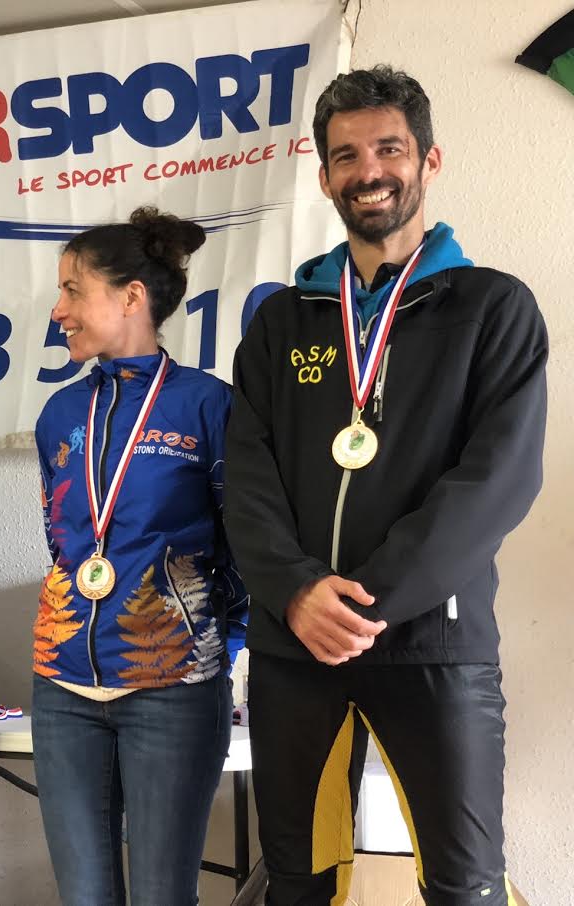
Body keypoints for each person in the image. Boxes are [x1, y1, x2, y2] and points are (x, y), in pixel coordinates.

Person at [224, 66, 546, 905]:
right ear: (324, 176)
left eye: (389, 149)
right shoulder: (281, 321)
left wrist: (368, 602)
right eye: (346, 156)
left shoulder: (493, 309)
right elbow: (247, 477)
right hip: (295, 646)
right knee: (296, 882)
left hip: (434, 645)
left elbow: (498, 480)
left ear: (428, 161)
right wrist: (296, 592)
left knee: (465, 886)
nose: (369, 171)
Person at [31, 206, 248, 906]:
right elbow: (62, 541)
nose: (58, 310)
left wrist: (214, 651)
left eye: (72, 290)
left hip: (173, 689)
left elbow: (246, 549)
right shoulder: (60, 415)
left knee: (162, 896)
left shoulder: (208, 406)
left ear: (131, 297)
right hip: (62, 688)